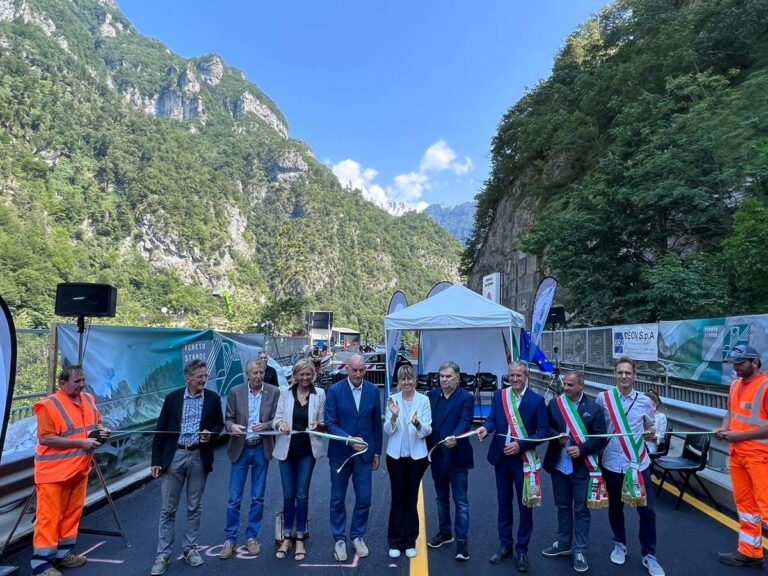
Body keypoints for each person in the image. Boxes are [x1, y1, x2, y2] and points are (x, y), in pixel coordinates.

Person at [31, 365, 110, 576]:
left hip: (79, 468)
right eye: (77, 382)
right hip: (53, 473)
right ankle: (41, 565)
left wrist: (102, 431)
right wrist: (81, 444)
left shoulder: (88, 399)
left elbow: (96, 422)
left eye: (83, 380)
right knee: (49, 517)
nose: (82, 385)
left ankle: (63, 555)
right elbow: (46, 438)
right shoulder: (49, 405)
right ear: (62, 383)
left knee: (71, 513)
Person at [149, 359, 224, 576]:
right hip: (175, 456)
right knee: (168, 509)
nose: (204, 380)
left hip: (199, 456)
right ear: (188, 378)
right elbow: (160, 430)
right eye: (200, 376)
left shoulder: (212, 399)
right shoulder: (172, 399)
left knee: (194, 506)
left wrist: (212, 433)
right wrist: (156, 461)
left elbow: (219, 425)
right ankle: (162, 554)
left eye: (205, 376)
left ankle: (190, 549)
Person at [476, 361, 548, 572]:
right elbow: (491, 420)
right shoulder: (500, 396)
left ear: (526, 376)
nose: (515, 379)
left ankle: (522, 549)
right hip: (501, 458)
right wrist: (485, 429)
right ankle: (505, 545)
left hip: (523, 460)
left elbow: (543, 432)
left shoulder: (537, 401)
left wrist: (520, 445)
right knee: (503, 503)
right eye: (512, 375)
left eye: (518, 375)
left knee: (525, 505)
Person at [595, 356, 664, 576]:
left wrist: (652, 436)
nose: (624, 376)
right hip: (612, 462)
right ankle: (619, 544)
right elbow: (598, 427)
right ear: (615, 374)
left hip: (638, 463)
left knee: (647, 512)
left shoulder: (644, 401)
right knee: (616, 507)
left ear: (635, 375)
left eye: (628, 372)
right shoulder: (603, 398)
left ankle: (649, 555)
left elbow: (651, 429)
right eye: (620, 372)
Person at [541, 370, 607, 573]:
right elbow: (546, 428)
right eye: (565, 385)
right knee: (562, 506)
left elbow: (600, 438)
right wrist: (555, 436)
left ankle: (579, 550)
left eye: (570, 385)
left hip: (581, 467)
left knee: (581, 510)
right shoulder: (554, 404)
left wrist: (581, 449)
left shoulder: (594, 409)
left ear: (581, 386)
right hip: (559, 465)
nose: (566, 388)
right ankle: (563, 543)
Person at [219, 358, 280, 559]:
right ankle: (230, 539)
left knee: (258, 497)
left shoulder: (273, 392)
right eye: (254, 373)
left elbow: (277, 419)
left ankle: (251, 536)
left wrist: (267, 425)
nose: (258, 376)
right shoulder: (236, 392)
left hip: (261, 448)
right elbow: (228, 419)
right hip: (241, 449)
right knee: (234, 498)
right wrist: (232, 427)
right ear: (248, 374)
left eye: (261, 373)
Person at [325, 354, 383, 561]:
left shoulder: (373, 391)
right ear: (347, 369)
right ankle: (339, 539)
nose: (358, 374)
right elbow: (330, 423)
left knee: (365, 498)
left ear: (365, 370)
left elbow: (376, 423)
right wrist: (348, 439)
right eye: (354, 370)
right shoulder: (334, 391)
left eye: (361, 370)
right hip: (340, 454)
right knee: (337, 499)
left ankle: (357, 536)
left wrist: (377, 452)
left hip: (365, 455)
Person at [715, 344, 768, 568]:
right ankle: (750, 551)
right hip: (737, 454)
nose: (735, 368)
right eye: (734, 363)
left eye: (740, 363)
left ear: (754, 362)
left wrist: (739, 435)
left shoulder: (765, 387)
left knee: (766, 506)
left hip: (760, 457)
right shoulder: (735, 384)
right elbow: (730, 412)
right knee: (746, 506)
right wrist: (724, 428)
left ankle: (750, 551)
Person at [273, 358, 327, 561]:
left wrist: (318, 424)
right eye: (301, 374)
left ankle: (300, 537)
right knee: (288, 494)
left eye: (308, 374)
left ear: (313, 375)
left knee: (302, 494)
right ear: (295, 375)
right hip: (286, 450)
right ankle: (287, 536)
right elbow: (277, 418)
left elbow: (323, 423)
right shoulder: (285, 393)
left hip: (307, 451)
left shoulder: (320, 393)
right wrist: (280, 425)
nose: (305, 378)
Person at [426, 361, 474, 562]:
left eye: (448, 376)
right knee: (441, 498)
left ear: (457, 377)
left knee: (461, 501)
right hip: (437, 456)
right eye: (441, 376)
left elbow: (465, 421)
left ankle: (462, 542)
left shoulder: (466, 398)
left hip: (457, 456)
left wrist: (456, 436)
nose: (444, 379)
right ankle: (445, 532)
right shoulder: (431, 396)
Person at [384, 364, 433, 559]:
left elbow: (427, 430)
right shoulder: (392, 400)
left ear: (415, 380)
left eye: (410, 379)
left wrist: (417, 423)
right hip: (395, 457)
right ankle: (395, 541)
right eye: (403, 379)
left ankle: (410, 540)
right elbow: (388, 430)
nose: (407, 382)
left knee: (411, 498)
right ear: (399, 381)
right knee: (397, 498)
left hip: (417, 458)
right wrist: (394, 415)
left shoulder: (424, 400)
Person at [644, 390, 667, 454]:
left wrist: (654, 437)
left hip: (651, 445)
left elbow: (661, 436)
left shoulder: (661, 417)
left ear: (656, 403)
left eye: (653, 405)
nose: (651, 409)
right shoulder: (640, 415)